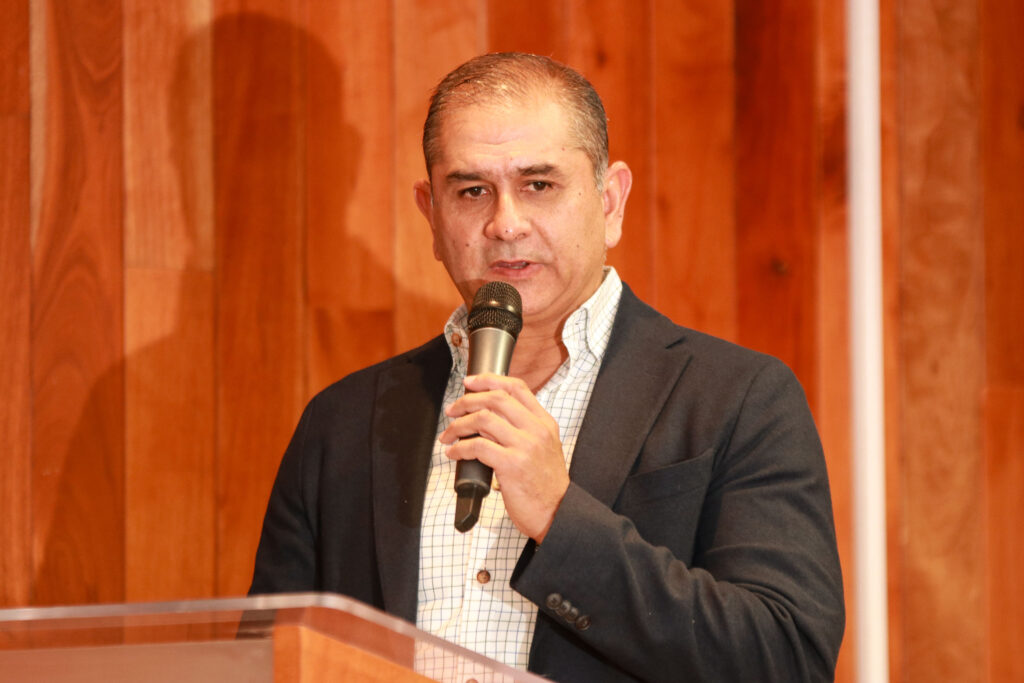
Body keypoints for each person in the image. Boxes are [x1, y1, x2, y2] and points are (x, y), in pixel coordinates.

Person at [250, 52, 844, 682]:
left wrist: (561, 517)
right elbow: (267, 662)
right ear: (431, 215)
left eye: (539, 185)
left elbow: (787, 658)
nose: (506, 224)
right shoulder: (342, 422)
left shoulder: (737, 398)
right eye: (472, 191)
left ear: (610, 203)